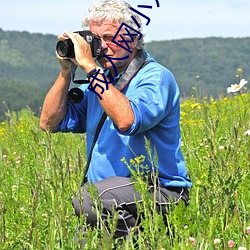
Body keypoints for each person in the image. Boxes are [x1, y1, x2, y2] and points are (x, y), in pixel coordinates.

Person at [40, 0, 192, 244]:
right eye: (96, 39)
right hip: (110, 199)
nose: (102, 47)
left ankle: (146, 241)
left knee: (88, 200)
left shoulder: (154, 77)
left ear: (133, 37)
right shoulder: (99, 83)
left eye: (109, 37)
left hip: (160, 192)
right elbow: (49, 123)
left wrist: (90, 67)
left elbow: (127, 120)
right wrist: (66, 70)